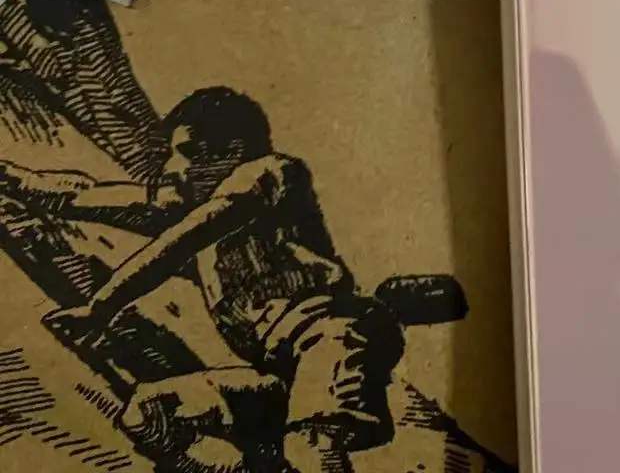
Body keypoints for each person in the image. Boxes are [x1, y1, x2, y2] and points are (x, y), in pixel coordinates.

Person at [38, 85, 406, 473]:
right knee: (152, 413)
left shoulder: (268, 172)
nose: (171, 170)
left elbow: (188, 236)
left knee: (311, 444)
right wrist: (16, 180)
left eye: (188, 153)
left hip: (329, 339)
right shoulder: (199, 211)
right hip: (278, 377)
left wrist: (100, 307)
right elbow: (90, 195)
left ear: (232, 151)